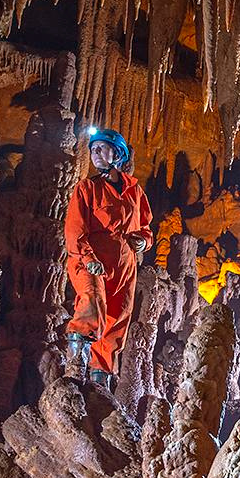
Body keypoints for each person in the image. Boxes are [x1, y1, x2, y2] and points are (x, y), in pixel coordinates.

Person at [63, 127, 153, 388]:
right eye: (93, 149)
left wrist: (143, 241)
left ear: (118, 154)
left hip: (124, 264)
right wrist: (88, 257)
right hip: (91, 260)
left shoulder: (135, 192)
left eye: (102, 148)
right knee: (92, 303)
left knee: (118, 318)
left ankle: (99, 383)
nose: (96, 153)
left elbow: (146, 228)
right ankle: (73, 371)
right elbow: (75, 229)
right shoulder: (88, 188)